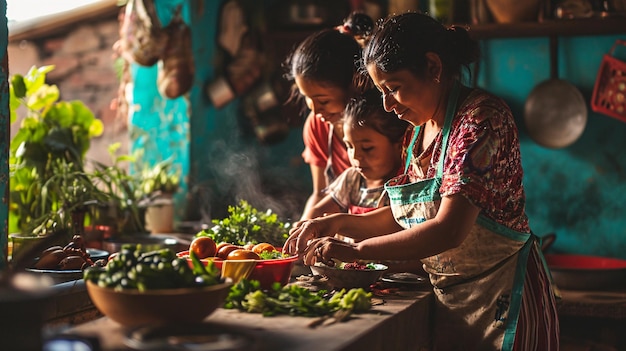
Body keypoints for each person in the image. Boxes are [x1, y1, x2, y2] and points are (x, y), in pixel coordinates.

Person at [284, 12, 559, 351]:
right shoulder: (418, 132)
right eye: (381, 92)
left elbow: (448, 229)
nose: (387, 105)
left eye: (394, 88)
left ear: (433, 67)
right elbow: (403, 216)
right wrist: (335, 222)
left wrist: (355, 249)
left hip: (503, 299)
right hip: (453, 300)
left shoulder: (481, 121)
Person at [284, 12, 374, 221]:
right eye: (308, 98)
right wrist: (301, 231)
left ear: (355, 83)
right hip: (341, 238)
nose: (315, 111)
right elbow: (320, 194)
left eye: (323, 101)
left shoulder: (384, 125)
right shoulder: (318, 127)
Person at [304, 89, 408, 219]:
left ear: (399, 146)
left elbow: (378, 224)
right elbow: (318, 211)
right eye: (349, 146)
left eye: (367, 148)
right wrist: (305, 225)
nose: (355, 156)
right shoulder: (351, 179)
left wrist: (338, 223)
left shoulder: (404, 185)